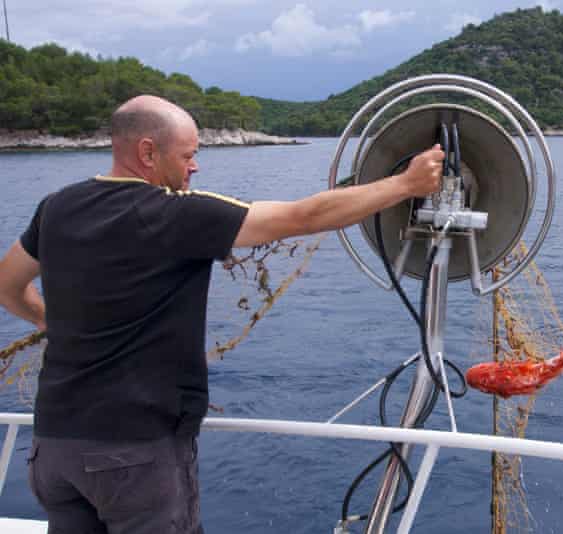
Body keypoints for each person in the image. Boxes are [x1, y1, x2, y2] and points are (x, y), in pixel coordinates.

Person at [0, 94, 444, 533]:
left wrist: (48, 321)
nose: (195, 166)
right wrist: (405, 185)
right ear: (147, 153)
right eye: (188, 155)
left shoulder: (56, 206)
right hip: (132, 454)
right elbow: (301, 217)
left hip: (53, 447)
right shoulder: (174, 215)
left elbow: (8, 285)